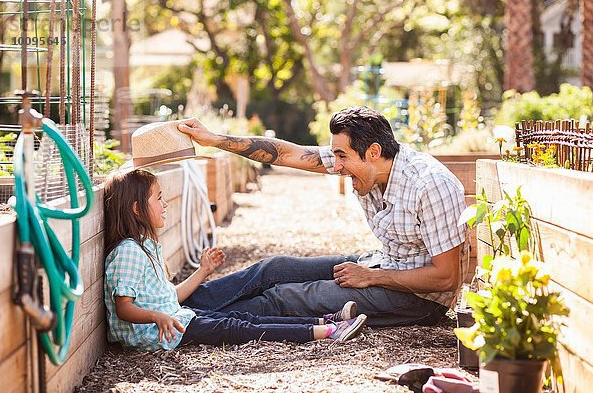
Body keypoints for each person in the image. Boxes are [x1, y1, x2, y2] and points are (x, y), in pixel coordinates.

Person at [177, 106, 469, 327]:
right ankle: (172, 302)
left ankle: (185, 322)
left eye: (342, 157)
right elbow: (285, 154)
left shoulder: (429, 185)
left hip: (419, 299)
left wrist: (373, 277)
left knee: (286, 298)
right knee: (273, 269)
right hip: (384, 264)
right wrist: (215, 140)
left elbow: (446, 278)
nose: (336, 166)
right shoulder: (365, 162)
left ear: (373, 152)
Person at [102, 169, 368, 351]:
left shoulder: (146, 247)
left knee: (249, 306)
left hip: (173, 317)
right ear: (137, 209)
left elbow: (169, 297)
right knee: (239, 325)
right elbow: (125, 308)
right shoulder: (128, 252)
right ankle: (327, 329)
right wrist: (156, 316)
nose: (165, 204)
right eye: (158, 198)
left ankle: (328, 317)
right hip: (162, 329)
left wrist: (202, 271)